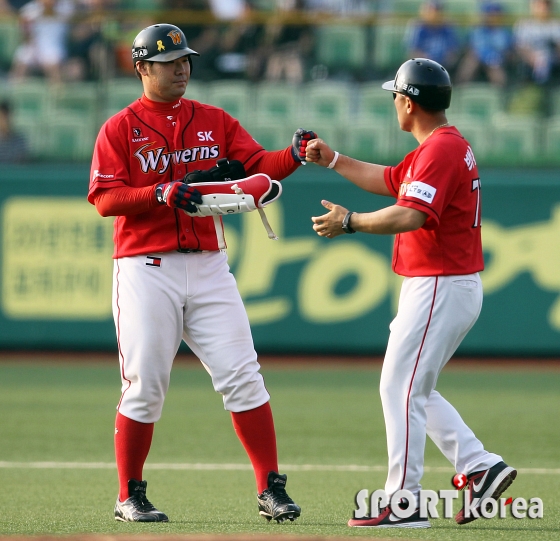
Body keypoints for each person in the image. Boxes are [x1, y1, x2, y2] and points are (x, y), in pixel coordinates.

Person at [88, 23, 316, 524]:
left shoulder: (212, 120)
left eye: (185, 60)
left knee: (243, 376)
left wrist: (295, 156)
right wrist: (161, 191)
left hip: (210, 264)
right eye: (169, 63)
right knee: (145, 382)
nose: (181, 68)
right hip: (146, 267)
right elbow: (105, 199)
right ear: (143, 68)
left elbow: (260, 165)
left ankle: (270, 488)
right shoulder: (120, 128)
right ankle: (130, 494)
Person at [305, 58, 517, 528]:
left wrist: (351, 222)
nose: (392, 104)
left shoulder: (440, 151)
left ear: (407, 101)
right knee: (414, 388)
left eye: (394, 96)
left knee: (399, 386)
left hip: (441, 282)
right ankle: (481, 468)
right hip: (444, 283)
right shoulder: (440, 145)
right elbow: (388, 181)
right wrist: (333, 159)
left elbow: (410, 215)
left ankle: (404, 501)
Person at [9, 0, 74, 84]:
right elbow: (25, 38)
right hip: (33, 44)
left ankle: (58, 93)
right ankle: (13, 92)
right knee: (23, 58)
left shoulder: (67, 7)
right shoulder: (29, 9)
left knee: (52, 61)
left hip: (54, 45)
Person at [456, 1, 513, 87]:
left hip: (496, 60)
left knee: (497, 71)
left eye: (496, 13)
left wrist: (494, 58)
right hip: (477, 58)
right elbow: (467, 47)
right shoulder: (476, 30)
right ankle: (459, 90)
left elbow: (508, 52)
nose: (493, 16)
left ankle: (500, 96)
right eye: (490, 13)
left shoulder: (504, 32)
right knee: (470, 61)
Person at [514, 0, 560, 85]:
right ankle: (539, 84)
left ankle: (540, 84)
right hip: (530, 59)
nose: (542, 9)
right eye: (538, 6)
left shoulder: (556, 25)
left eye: (545, 6)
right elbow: (520, 47)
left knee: (544, 57)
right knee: (541, 59)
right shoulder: (525, 25)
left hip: (552, 59)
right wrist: (532, 57)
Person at [405, 1, 460, 70]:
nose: (435, 14)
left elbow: (453, 52)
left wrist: (446, 61)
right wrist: (427, 60)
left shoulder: (448, 27)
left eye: (438, 10)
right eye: (432, 10)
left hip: (443, 67)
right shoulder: (418, 26)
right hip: (422, 67)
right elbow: (413, 51)